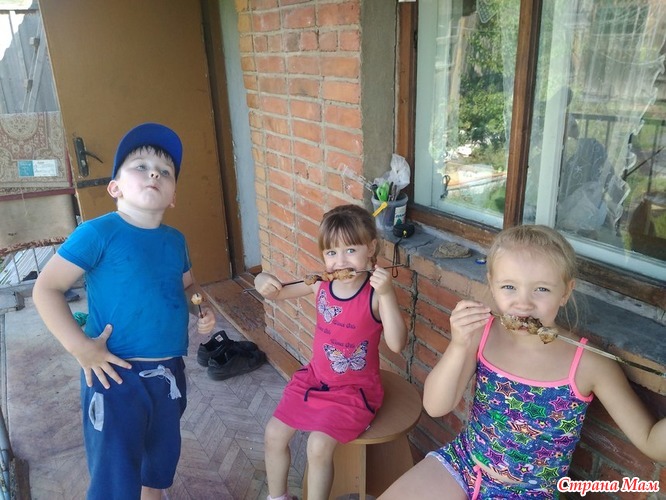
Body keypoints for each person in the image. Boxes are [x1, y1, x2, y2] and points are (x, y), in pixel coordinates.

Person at [379, 225, 666, 499]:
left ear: (566, 292)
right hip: (464, 462)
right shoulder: (482, 333)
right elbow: (435, 406)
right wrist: (459, 345)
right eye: (509, 286)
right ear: (492, 285)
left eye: (541, 289)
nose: (524, 303)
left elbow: (651, 442)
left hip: (531, 491)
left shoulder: (590, 363)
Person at [33, 122, 216, 500]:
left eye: (165, 172)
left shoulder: (175, 241)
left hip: (168, 373)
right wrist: (81, 348)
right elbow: (46, 288)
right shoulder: (97, 233)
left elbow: (187, 287)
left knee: (158, 464)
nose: (154, 174)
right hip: (113, 373)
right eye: (141, 166)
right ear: (115, 188)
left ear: (173, 196)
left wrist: (202, 307)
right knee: (116, 475)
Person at [254, 204, 408, 500]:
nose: (340, 262)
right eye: (331, 253)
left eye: (350, 250)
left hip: (354, 392)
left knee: (317, 445)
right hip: (315, 379)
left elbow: (397, 343)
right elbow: (278, 292)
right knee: (273, 434)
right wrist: (262, 280)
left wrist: (388, 294)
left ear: (370, 248)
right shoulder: (319, 285)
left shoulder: (374, 295)